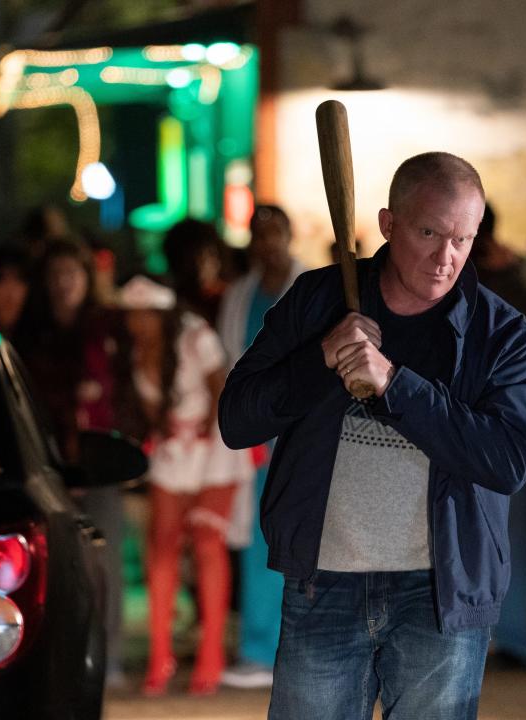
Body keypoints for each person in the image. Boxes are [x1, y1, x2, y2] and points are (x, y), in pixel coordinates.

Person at [219, 152, 526, 718]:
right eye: (429, 232)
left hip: (439, 594)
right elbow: (237, 420)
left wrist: (395, 383)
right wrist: (320, 357)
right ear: (388, 223)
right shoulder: (316, 302)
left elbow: (507, 460)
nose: (446, 258)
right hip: (324, 585)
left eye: (463, 239)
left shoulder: (506, 338)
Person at [115, 275, 250, 697]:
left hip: (215, 449)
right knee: (162, 549)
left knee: (208, 543)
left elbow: (220, 392)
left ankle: (210, 656)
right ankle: (160, 656)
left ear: (160, 313)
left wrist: (204, 451)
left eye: (142, 314)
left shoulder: (197, 336)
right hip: (173, 454)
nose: (135, 322)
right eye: (130, 314)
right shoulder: (136, 349)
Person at [13, 237, 129, 688]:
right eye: (56, 275)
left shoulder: (106, 329)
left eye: (72, 274)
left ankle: (111, 656)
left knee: (106, 563)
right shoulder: (32, 333)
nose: (64, 284)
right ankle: (60, 660)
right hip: (48, 465)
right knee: (56, 567)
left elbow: (123, 392)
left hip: (101, 463)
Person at [215, 204, 306, 690]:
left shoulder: (314, 285)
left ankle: (293, 648)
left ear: (290, 236)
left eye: (276, 233)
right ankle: (256, 647)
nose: (267, 244)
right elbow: (231, 362)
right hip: (254, 439)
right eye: (259, 235)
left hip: (300, 434)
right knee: (255, 544)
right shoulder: (239, 295)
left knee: (299, 539)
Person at [470, 202, 526, 668]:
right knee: (514, 535)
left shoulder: (465, 285)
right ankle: (512, 636)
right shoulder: (522, 281)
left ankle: (500, 635)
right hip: (516, 425)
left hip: (480, 426)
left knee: (486, 534)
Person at [162, 218, 228, 326]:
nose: (215, 264)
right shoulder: (170, 304)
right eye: (205, 258)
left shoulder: (232, 297)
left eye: (214, 256)